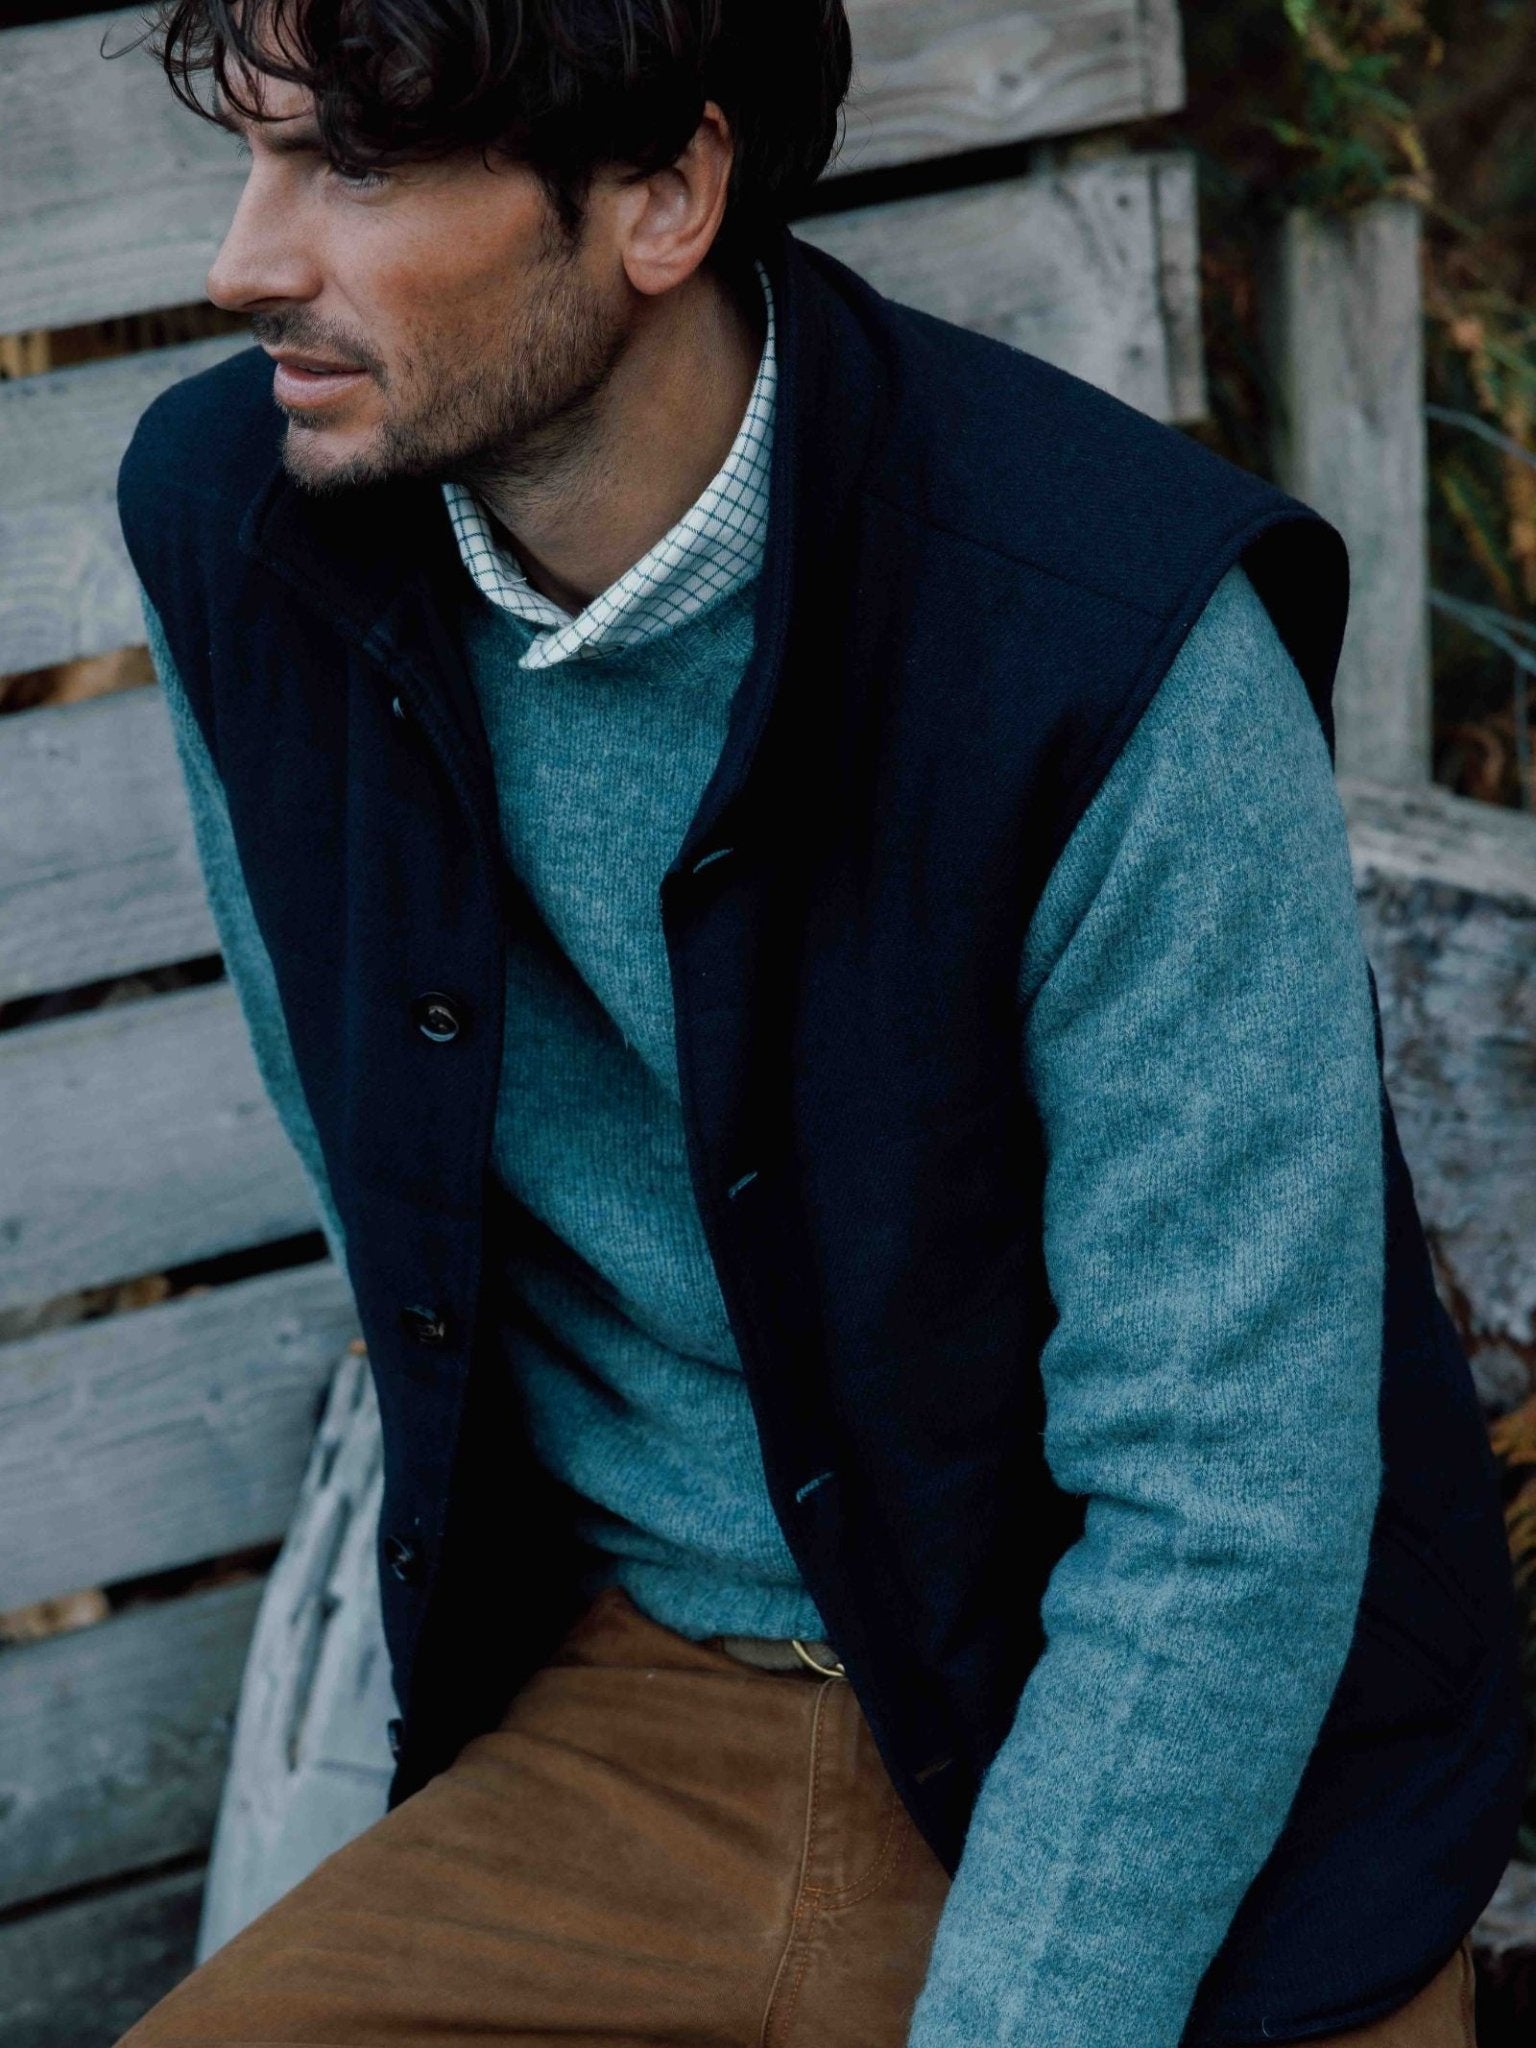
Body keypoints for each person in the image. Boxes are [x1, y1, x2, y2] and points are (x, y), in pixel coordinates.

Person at [112, 2, 1525, 2044]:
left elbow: (1227, 1513)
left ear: (666, 195)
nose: (241, 262)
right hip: (644, 1714)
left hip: (1178, 1772)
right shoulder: (246, 526)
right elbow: (373, 1162)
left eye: (351, 167)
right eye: (247, 156)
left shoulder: (1104, 644)